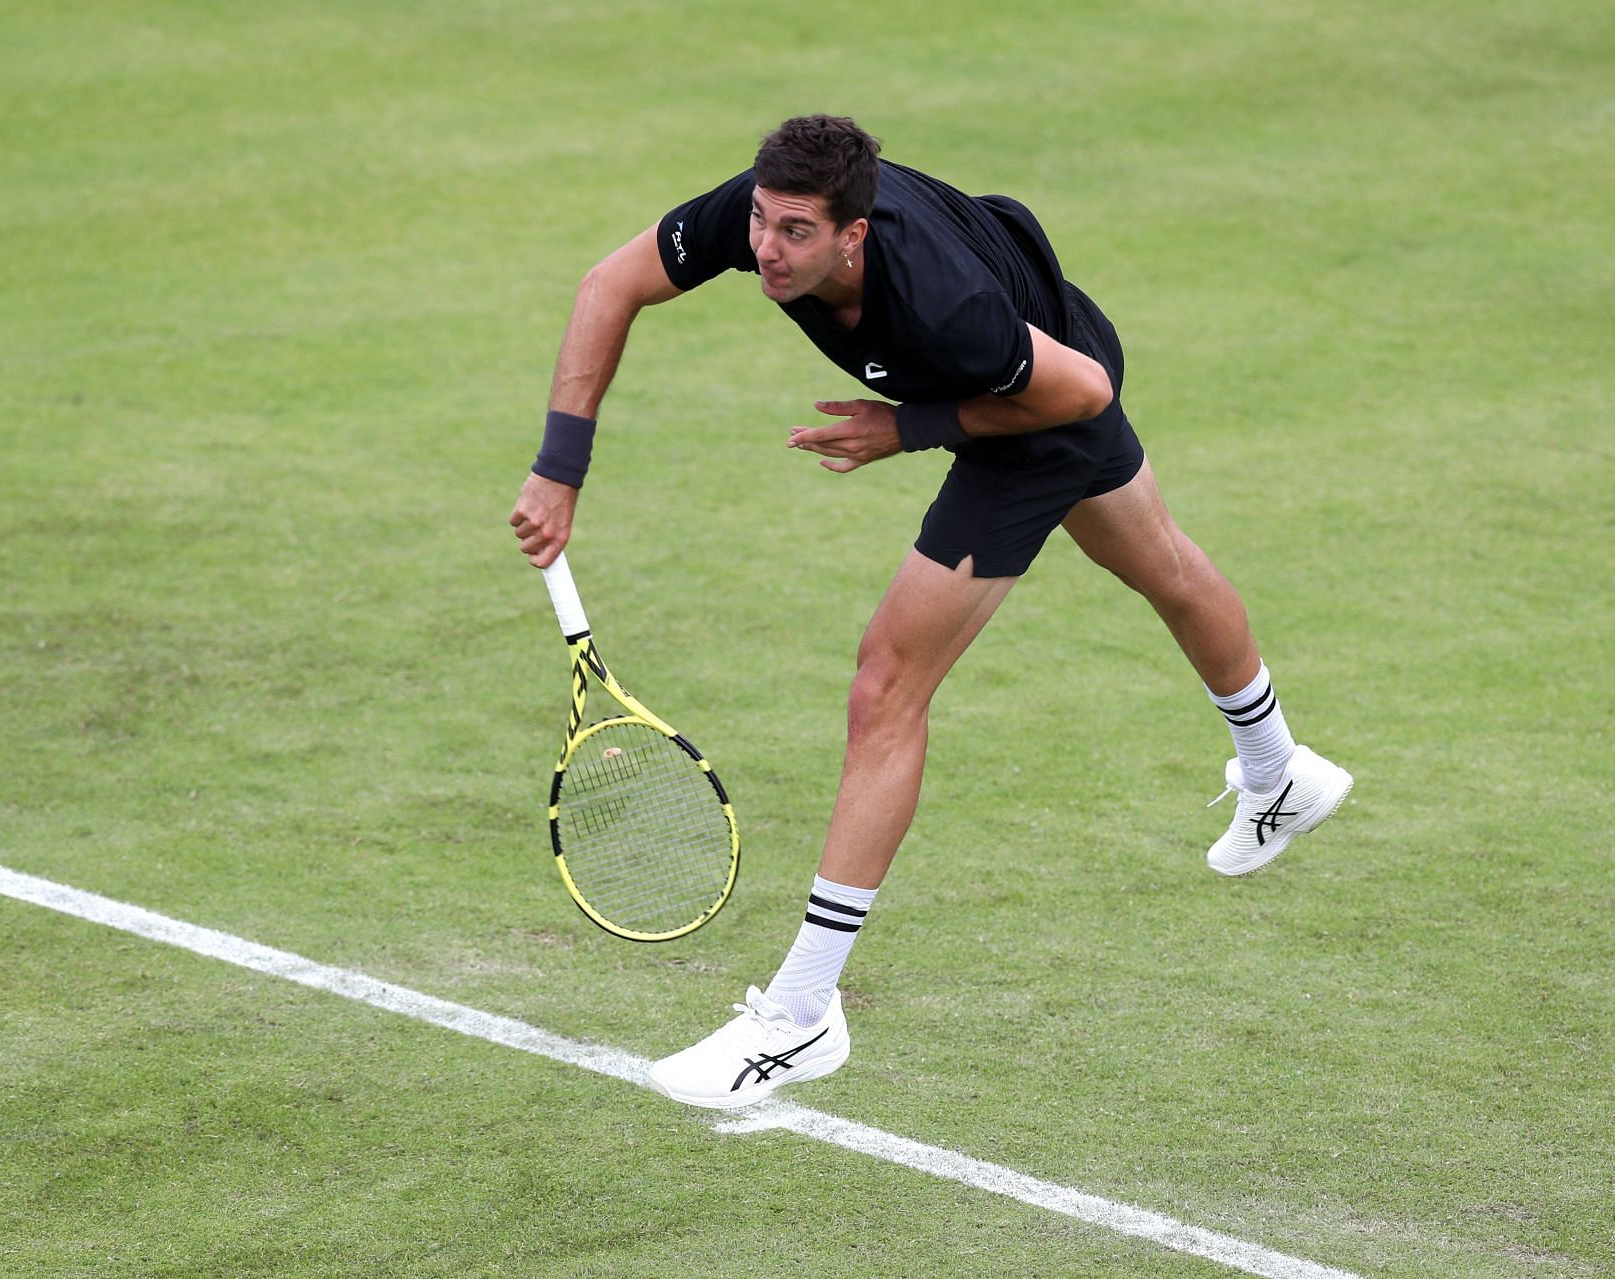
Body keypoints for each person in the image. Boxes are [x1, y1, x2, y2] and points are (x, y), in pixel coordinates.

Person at [508, 115, 1352, 1109]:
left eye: (795, 236)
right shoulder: (757, 218)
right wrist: (559, 468)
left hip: (1042, 412)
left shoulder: (941, 307)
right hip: (1040, 342)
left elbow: (1077, 394)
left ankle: (803, 1012)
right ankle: (1278, 770)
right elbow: (610, 285)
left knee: (887, 687)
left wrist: (907, 428)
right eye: (762, 224)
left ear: (854, 236)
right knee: (1163, 564)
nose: (766, 251)